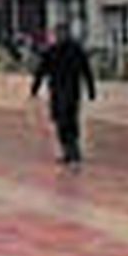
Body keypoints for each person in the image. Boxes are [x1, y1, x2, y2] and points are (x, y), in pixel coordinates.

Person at [31, 26, 96, 167]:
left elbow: (86, 71)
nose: (59, 36)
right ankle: (69, 152)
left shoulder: (72, 50)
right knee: (64, 122)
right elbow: (41, 70)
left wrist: (91, 90)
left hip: (68, 92)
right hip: (61, 92)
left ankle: (73, 153)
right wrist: (35, 89)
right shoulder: (55, 51)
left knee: (67, 122)